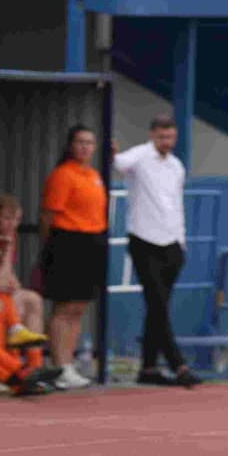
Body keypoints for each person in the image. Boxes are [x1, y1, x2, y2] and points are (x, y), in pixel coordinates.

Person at [114, 116, 200, 387]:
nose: (166, 142)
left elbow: (176, 205)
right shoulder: (140, 155)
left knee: (157, 307)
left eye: (170, 137)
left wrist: (181, 242)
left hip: (171, 243)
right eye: (162, 137)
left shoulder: (176, 166)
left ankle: (148, 367)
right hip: (143, 239)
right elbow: (119, 163)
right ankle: (178, 364)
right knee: (158, 304)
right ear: (152, 135)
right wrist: (112, 150)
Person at [39, 125, 108, 388]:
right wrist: (50, 249)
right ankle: (59, 365)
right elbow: (48, 215)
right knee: (64, 307)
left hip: (92, 242)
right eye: (80, 142)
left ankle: (69, 364)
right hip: (67, 242)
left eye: (90, 142)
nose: (85, 147)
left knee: (79, 307)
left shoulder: (93, 175)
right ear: (70, 145)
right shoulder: (62, 175)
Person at [0, 192, 56, 396]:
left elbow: (4, 275)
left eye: (17, 219)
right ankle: (22, 374)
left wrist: (10, 284)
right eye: (7, 218)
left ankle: (33, 367)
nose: (13, 224)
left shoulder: (8, 237)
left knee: (30, 299)